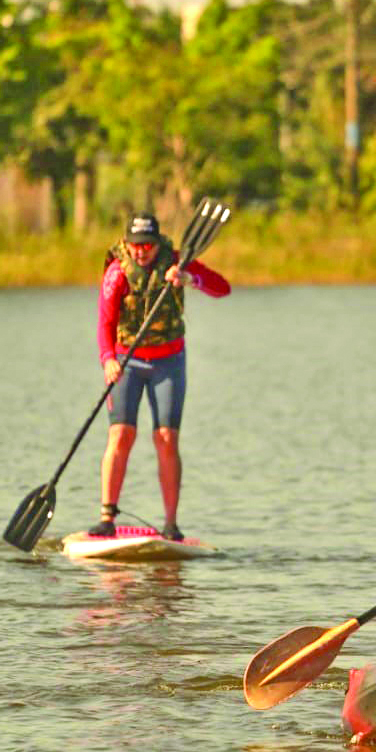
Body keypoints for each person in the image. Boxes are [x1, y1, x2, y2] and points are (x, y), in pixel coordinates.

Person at [89, 210, 231, 540]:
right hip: (127, 362)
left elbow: (222, 288)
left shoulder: (178, 262)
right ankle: (107, 517)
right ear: (127, 243)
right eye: (136, 245)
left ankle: (170, 524)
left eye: (148, 245)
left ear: (157, 244)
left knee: (166, 438)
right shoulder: (116, 272)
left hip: (169, 362)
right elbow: (105, 323)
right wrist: (108, 359)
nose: (142, 251)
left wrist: (190, 280)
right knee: (121, 434)